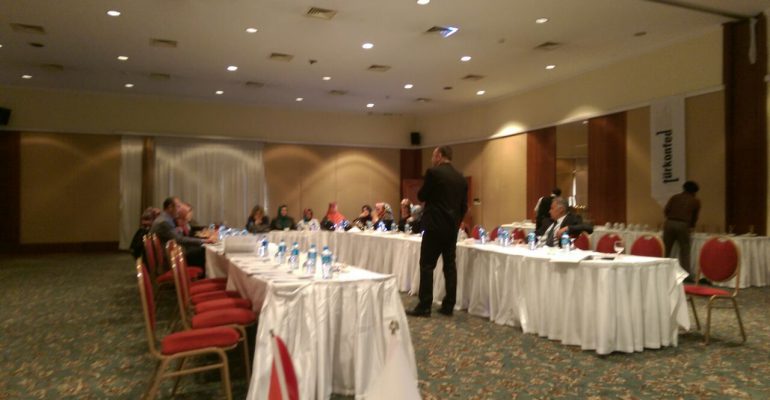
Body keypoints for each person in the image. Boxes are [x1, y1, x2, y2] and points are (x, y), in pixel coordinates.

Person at [407, 145, 468, 318]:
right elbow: (463, 206)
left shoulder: (434, 173)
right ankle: (449, 305)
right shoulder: (461, 178)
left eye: (433, 156)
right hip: (451, 229)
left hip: (434, 227)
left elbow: (421, 196)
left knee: (427, 265)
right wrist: (456, 223)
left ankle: (425, 305)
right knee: (450, 266)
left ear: (440, 156)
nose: (432, 159)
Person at [149, 197, 212, 268]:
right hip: (170, 257)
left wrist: (177, 231)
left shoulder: (165, 219)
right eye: (178, 207)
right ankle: (199, 274)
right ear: (170, 207)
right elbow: (180, 239)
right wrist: (203, 241)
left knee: (201, 248)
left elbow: (172, 235)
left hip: (172, 252)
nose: (179, 210)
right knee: (203, 250)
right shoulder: (164, 222)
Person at [663, 181, 701, 279]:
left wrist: (671, 219)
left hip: (669, 223)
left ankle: (662, 271)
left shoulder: (674, 197)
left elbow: (666, 210)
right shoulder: (695, 201)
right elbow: (694, 217)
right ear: (694, 191)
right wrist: (691, 227)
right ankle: (685, 275)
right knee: (684, 250)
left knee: (665, 248)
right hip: (683, 225)